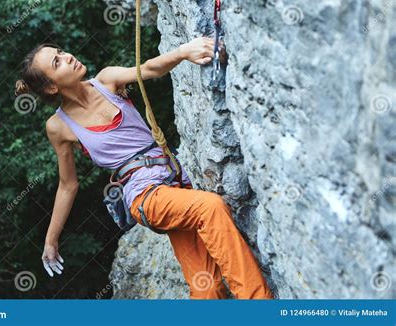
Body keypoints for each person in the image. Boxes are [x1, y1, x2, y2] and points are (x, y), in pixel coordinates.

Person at [14, 37, 273, 299]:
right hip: (145, 195)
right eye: (57, 62)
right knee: (210, 208)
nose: (68, 56)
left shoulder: (106, 80)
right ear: (49, 87)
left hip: (175, 178)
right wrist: (51, 239)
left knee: (205, 286)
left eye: (60, 51)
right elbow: (68, 185)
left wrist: (183, 52)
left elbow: (148, 69)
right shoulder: (59, 126)